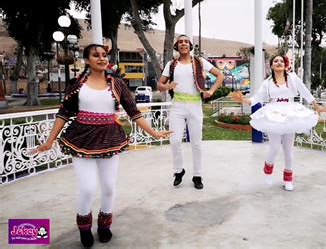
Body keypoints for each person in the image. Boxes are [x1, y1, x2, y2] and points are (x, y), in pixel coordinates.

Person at [33, 44, 172, 247]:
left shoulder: (117, 84)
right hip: (81, 139)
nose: (101, 58)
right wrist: (49, 140)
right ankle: (84, 228)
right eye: (95, 55)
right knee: (88, 188)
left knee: (108, 188)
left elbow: (134, 112)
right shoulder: (77, 83)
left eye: (104, 55)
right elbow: (63, 114)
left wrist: (154, 132)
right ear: (86, 60)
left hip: (109, 139)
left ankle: (105, 225)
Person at [229, 55, 326, 191]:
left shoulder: (292, 77)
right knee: (275, 147)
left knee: (288, 149)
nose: (279, 62)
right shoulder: (268, 82)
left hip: (290, 112)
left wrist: (316, 105)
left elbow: (305, 91)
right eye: (276, 61)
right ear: (272, 65)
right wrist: (243, 100)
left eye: (281, 61)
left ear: (285, 64)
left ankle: (288, 179)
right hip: (274, 113)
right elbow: (257, 98)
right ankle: (268, 170)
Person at [157, 35, 224, 189]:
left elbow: (220, 75)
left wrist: (212, 90)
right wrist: (168, 86)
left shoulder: (199, 62)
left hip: (195, 105)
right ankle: (178, 170)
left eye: (186, 41)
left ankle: (197, 175)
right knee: (174, 141)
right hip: (177, 106)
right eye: (180, 42)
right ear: (176, 46)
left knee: (196, 142)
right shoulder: (171, 64)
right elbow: (160, 85)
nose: (183, 44)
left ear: (190, 45)